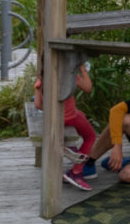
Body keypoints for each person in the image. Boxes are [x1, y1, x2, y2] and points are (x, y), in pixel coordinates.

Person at [34, 63, 97, 191]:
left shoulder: (43, 78)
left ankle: (71, 148)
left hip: (53, 119)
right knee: (91, 136)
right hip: (69, 118)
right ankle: (77, 172)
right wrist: (83, 70)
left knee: (81, 114)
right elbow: (88, 88)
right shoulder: (70, 75)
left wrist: (37, 88)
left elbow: (38, 105)